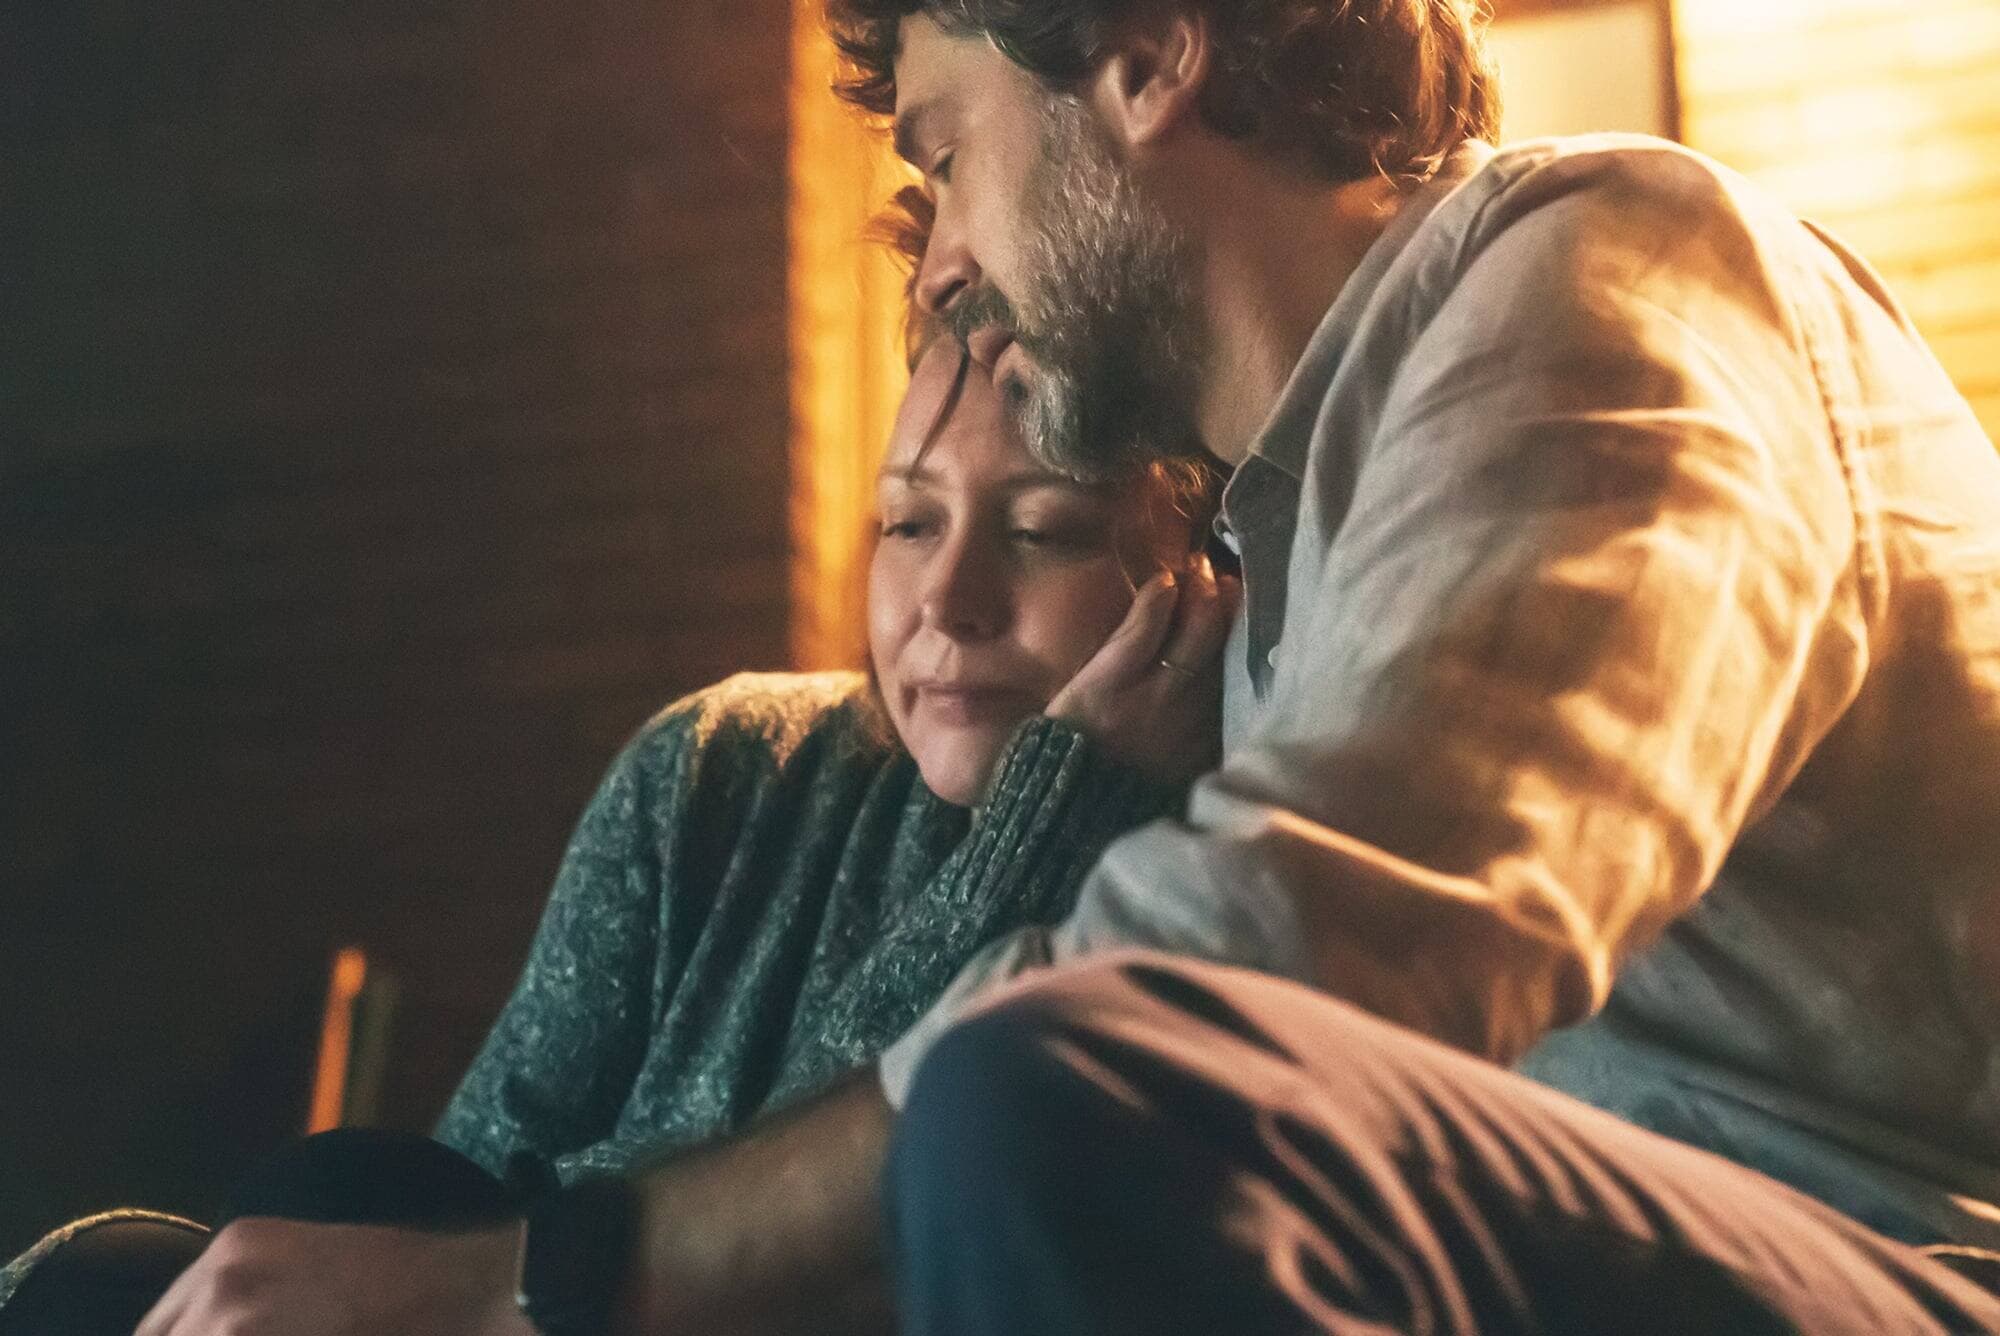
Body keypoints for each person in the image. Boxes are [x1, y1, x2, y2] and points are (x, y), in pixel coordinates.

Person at [130, 0, 2000, 1332]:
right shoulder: (1284, 565)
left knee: (1069, 1087)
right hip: (1520, 1248)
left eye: (947, 151)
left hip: (1867, 1260)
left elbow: (1299, 963)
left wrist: (538, 1286)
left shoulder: (1617, 264)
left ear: (1149, 53)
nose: (942, 260)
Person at [2, 327, 1234, 1331]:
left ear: (1202, 577)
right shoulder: (722, 766)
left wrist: (1038, 842)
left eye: (1042, 532)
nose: (946, 604)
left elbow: (820, 1259)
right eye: (907, 523)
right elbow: (444, 1245)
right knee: (235, 1233)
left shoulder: (1215, 872)